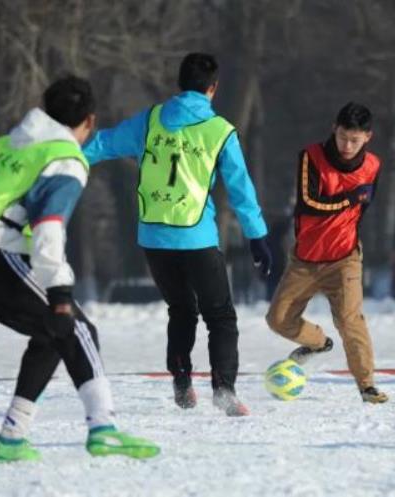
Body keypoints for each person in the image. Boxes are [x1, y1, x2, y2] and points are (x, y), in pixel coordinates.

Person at [0, 76, 159, 462]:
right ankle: (103, 428)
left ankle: (12, 437)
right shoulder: (64, 157)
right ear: (89, 121)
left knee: (51, 334)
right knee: (77, 327)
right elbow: (48, 225)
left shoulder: (7, 143)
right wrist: (60, 291)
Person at [83, 53, 271, 416]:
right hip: (196, 238)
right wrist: (257, 236)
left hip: (153, 238)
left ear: (179, 84)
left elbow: (104, 143)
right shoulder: (220, 131)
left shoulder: (151, 120)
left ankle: (182, 382)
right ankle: (224, 390)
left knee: (181, 310)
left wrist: (66, 155)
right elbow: (240, 188)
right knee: (220, 315)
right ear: (212, 89)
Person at [265, 102, 388, 404]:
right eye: (343, 136)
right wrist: (349, 199)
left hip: (345, 258)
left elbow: (366, 205)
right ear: (334, 128)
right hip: (305, 260)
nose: (347, 145)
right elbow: (309, 202)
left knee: (350, 320)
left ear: (368, 137)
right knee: (278, 320)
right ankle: (319, 344)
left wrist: (351, 210)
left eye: (355, 140)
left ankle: (367, 385)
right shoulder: (311, 157)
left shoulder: (373, 166)